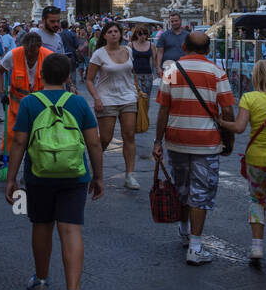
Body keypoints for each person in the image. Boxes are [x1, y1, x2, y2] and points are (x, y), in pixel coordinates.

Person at [6, 51, 103, 290]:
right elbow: (93, 142)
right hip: (74, 174)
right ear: (67, 76)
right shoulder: (78, 103)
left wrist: (11, 177)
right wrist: (98, 175)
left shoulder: (29, 103)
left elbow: (18, 142)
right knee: (71, 230)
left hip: (39, 174)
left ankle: (41, 280)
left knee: (41, 225)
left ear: (41, 75)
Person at [152, 30, 235, 264]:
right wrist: (228, 139)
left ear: (184, 47)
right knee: (201, 191)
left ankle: (184, 229)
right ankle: (196, 246)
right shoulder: (217, 72)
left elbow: (163, 109)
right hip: (206, 141)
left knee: (182, 186)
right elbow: (227, 110)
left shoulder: (173, 70)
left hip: (177, 139)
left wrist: (158, 141)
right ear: (208, 50)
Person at [219, 59, 266, 269]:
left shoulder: (249, 98)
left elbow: (240, 128)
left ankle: (256, 246)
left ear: (256, 77)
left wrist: (222, 122)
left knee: (256, 200)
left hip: (257, 159)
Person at [86, 20, 139, 189]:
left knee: (129, 135)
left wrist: (136, 91)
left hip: (128, 98)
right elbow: (89, 79)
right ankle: (94, 169)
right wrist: (96, 98)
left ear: (121, 34)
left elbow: (132, 73)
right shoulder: (99, 54)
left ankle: (130, 175)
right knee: (106, 138)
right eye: (110, 32)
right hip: (106, 98)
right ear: (105, 35)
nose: (114, 34)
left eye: (116, 31)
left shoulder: (129, 50)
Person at [0, 31, 46, 175]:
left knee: (38, 136)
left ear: (39, 48)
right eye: (27, 52)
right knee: (10, 135)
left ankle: (35, 168)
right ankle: (4, 167)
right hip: (16, 105)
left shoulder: (48, 56)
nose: (30, 55)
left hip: (40, 106)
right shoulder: (13, 55)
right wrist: (1, 92)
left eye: (33, 52)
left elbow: (60, 76)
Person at [129, 25, 156, 98]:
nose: (143, 36)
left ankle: (145, 110)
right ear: (136, 34)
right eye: (140, 34)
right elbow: (128, 60)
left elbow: (154, 59)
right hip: (135, 74)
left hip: (148, 74)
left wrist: (156, 71)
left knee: (146, 98)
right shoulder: (131, 44)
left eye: (145, 33)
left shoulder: (151, 45)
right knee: (136, 97)